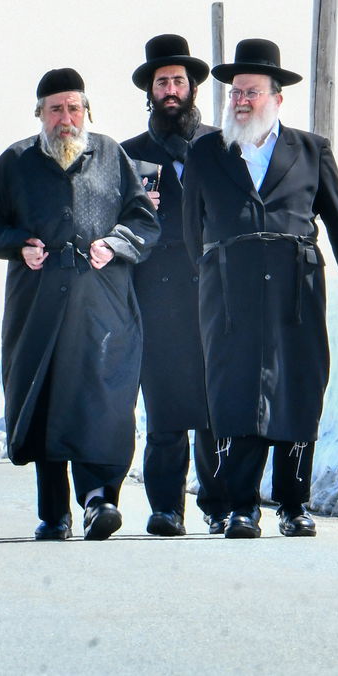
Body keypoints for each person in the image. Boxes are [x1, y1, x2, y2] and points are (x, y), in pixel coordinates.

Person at [181, 37, 338, 540]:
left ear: (277, 97)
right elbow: (192, 229)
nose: (240, 100)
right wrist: (207, 276)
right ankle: (242, 507)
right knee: (234, 390)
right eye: (234, 93)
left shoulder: (311, 150)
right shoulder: (207, 151)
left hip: (296, 286)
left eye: (251, 92)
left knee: (297, 387)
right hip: (229, 291)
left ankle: (294, 505)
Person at [0, 67, 159, 541]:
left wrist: (115, 244)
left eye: (74, 108)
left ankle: (99, 501)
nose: (65, 118)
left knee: (102, 399)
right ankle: (54, 514)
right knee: (47, 399)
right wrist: (19, 246)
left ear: (86, 111)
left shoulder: (112, 155)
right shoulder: (15, 162)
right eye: (55, 109)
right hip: (38, 308)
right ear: (40, 114)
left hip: (102, 307)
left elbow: (144, 221)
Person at [120, 32, 226, 535]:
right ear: (150, 91)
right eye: (161, 81)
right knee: (163, 407)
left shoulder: (220, 145)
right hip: (155, 296)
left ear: (192, 89)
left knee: (213, 405)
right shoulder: (128, 154)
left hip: (214, 294)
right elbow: (111, 222)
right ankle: (166, 508)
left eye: (178, 81)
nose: (170, 90)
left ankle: (219, 502)